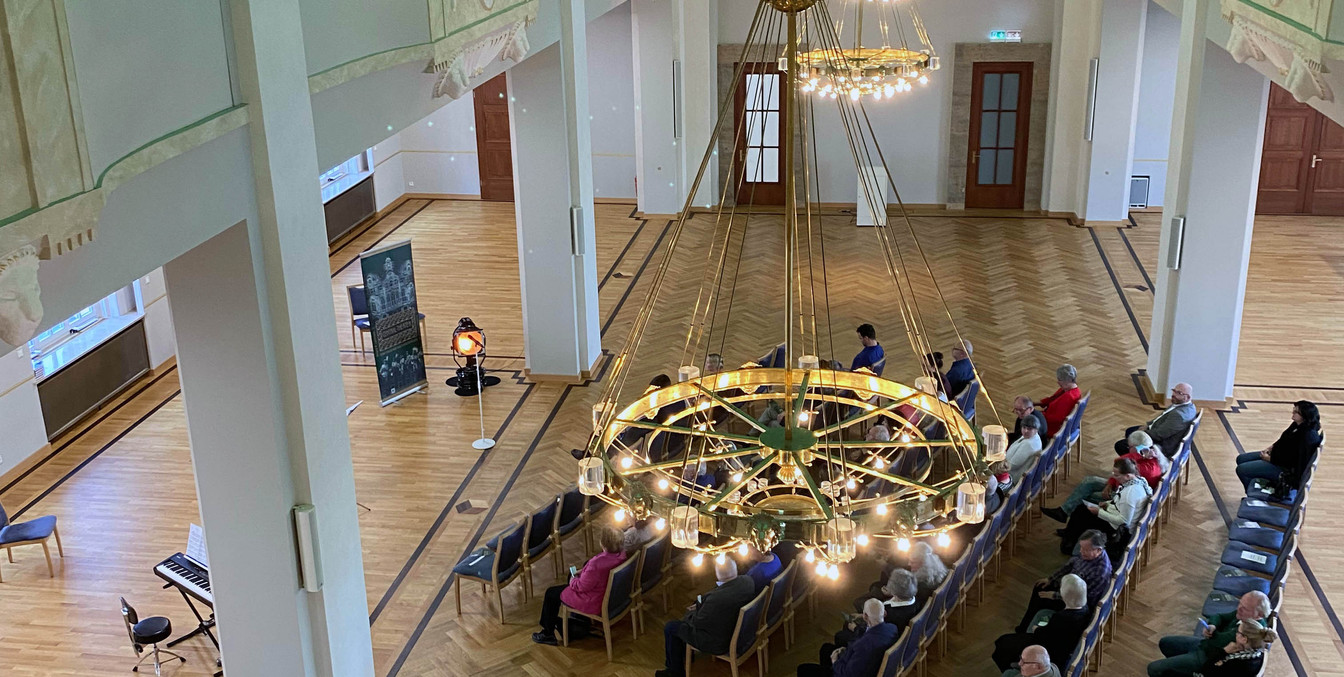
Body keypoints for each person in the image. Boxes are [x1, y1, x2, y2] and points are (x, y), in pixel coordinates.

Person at [657, 556, 757, 677]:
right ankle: (684, 653)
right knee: (685, 623)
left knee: (671, 627)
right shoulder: (748, 581)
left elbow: (697, 623)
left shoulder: (715, 601)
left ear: (718, 575)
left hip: (719, 642)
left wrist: (691, 612)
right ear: (735, 569)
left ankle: (674, 671)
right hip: (738, 630)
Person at [1042, 431, 1167, 523]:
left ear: (1136, 448)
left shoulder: (1148, 468)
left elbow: (1120, 461)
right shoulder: (1150, 459)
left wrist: (1135, 454)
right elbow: (1121, 471)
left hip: (1125, 497)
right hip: (1122, 485)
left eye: (1129, 448)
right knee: (1089, 481)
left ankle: (1073, 526)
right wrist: (1109, 483)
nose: (1128, 450)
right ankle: (1064, 512)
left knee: (1085, 496)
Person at [532, 526, 628, 645]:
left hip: (592, 599)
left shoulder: (596, 565)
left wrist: (573, 578)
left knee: (551, 593)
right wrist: (584, 571)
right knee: (569, 579)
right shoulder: (622, 556)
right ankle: (577, 620)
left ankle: (547, 633)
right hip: (608, 594)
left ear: (603, 543)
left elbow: (580, 587)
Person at [1147, 591, 1270, 677]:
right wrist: (1213, 625)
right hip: (1206, 646)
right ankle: (1178, 667)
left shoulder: (1250, 633)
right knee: (1166, 643)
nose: (1239, 608)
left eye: (1244, 608)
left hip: (1208, 658)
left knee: (1154, 669)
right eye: (1240, 604)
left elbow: (1216, 645)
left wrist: (1215, 634)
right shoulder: (1244, 615)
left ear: (1259, 615)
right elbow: (1219, 616)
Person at [1014, 530, 1111, 633]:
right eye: (1081, 547)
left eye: (1085, 549)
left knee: (1041, 600)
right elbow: (1070, 564)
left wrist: (1055, 595)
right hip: (1068, 587)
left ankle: (1030, 630)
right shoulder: (1086, 554)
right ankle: (1026, 625)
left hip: (1075, 605)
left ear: (1098, 550)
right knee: (1040, 587)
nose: (1081, 551)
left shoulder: (1099, 573)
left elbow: (1082, 599)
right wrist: (1051, 579)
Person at [993, 574, 1089, 671]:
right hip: (1060, 644)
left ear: (1064, 595)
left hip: (1047, 651)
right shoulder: (1085, 609)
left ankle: (1020, 670)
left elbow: (1044, 636)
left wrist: (1036, 629)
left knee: (1002, 645)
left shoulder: (1061, 618)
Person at [1057, 457, 1151, 555]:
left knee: (1081, 513)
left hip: (1116, 528)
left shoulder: (1129, 495)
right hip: (1115, 515)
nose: (1114, 477)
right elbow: (1118, 501)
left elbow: (1123, 521)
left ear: (1127, 476)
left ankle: (1069, 544)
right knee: (1081, 510)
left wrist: (1099, 512)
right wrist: (1107, 504)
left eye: (1117, 475)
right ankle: (1070, 535)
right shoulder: (1138, 481)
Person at [797, 598, 899, 677]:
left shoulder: (862, 646)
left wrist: (835, 661)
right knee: (826, 648)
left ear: (865, 616)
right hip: (866, 663)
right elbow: (870, 635)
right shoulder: (893, 628)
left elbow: (846, 674)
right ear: (884, 613)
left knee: (803, 669)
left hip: (848, 670)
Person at [1235, 400, 1323, 491]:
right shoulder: (1297, 425)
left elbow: (1294, 461)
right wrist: (1271, 448)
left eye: (1296, 412)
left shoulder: (1307, 436)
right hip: (1277, 456)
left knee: (1242, 470)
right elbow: (1283, 440)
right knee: (1241, 459)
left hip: (1284, 468)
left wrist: (1270, 459)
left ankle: (1253, 492)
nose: (1293, 412)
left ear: (1304, 416)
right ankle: (1256, 485)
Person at [1114, 383, 1196, 456]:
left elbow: (1160, 435)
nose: (1173, 394)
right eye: (1174, 391)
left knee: (1120, 446)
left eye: (1179, 393)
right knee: (1130, 431)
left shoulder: (1179, 415)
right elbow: (1161, 417)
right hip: (1158, 430)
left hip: (1160, 445)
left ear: (1187, 397)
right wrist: (1148, 424)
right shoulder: (1185, 405)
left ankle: (1134, 466)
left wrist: (1143, 432)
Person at [1197, 621, 1277, 677]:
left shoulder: (1236, 663)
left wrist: (1224, 651)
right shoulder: (1258, 653)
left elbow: (1206, 670)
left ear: (1244, 639)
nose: (1236, 634)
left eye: (1238, 632)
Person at [1038, 365, 1082, 439]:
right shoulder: (1069, 390)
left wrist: (1039, 415)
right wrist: (1035, 403)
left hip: (1052, 427)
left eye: (1059, 380)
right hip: (1049, 419)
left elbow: (1057, 418)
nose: (1058, 382)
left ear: (1067, 380)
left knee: (1025, 422)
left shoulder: (1068, 397)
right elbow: (1053, 399)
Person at [1005, 415, 1044, 482]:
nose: (1025, 431)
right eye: (1024, 427)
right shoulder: (1032, 437)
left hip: (1012, 477)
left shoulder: (1029, 444)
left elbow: (1012, 465)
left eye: (1029, 429)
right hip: (1011, 469)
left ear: (1036, 430)